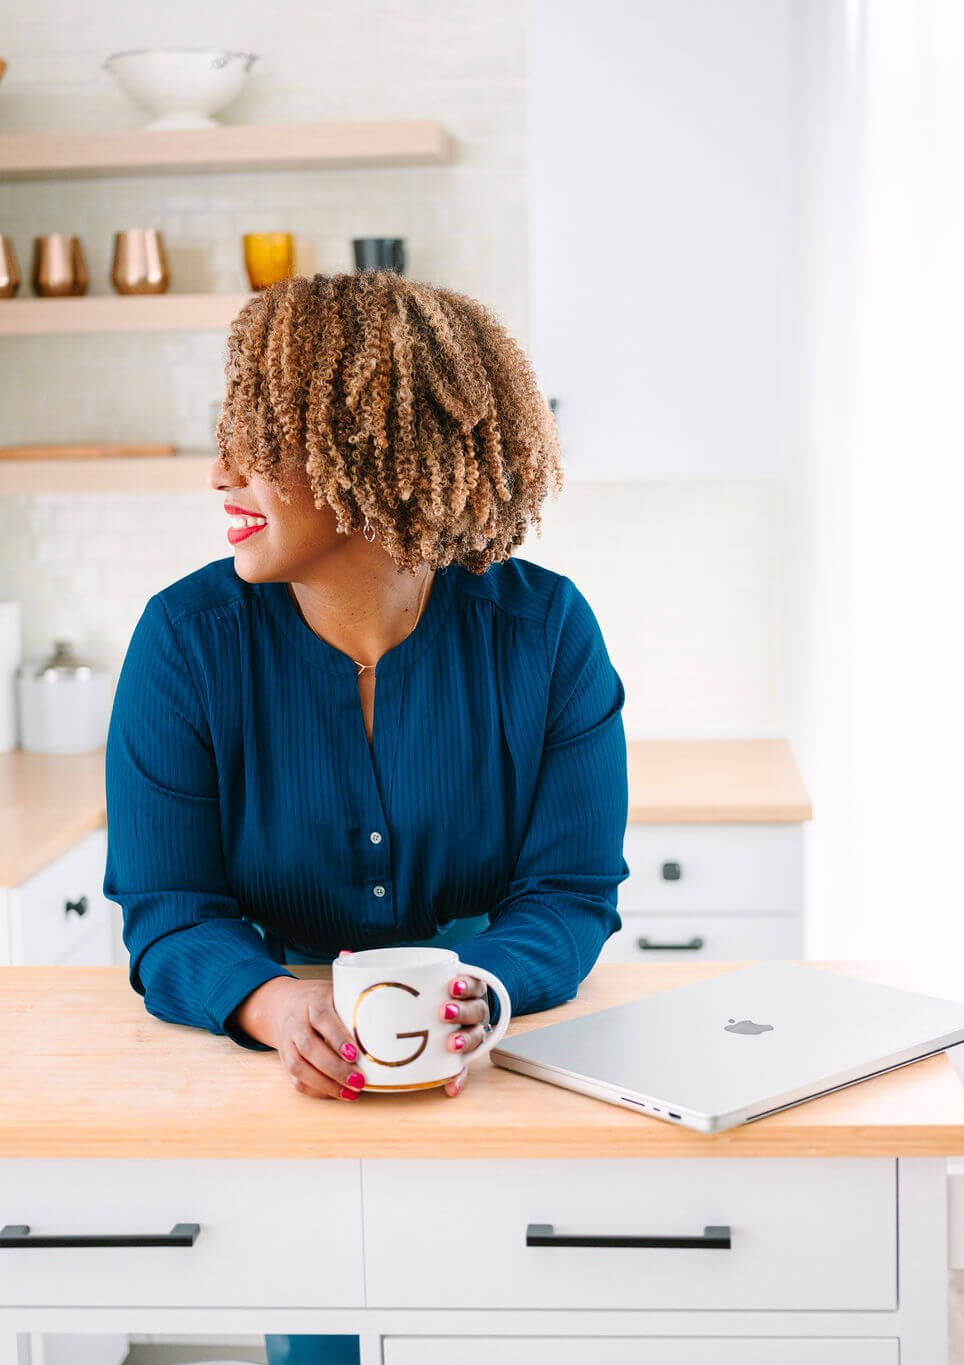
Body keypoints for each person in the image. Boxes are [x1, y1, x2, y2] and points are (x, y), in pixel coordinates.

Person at [103, 269, 630, 1365]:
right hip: (298, 1076)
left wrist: (480, 991)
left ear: (372, 458)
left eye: (260, 442)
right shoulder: (186, 642)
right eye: (225, 437)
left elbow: (569, 895)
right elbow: (168, 910)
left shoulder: (547, 635)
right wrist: (268, 1007)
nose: (218, 475)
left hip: (499, 1059)